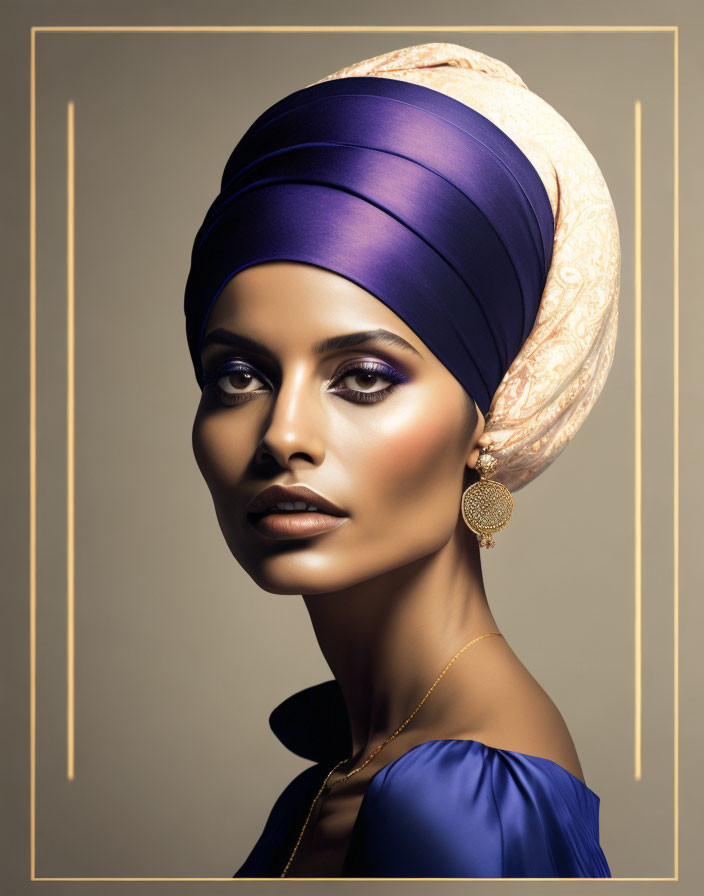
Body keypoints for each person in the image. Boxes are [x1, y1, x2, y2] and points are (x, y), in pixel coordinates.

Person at [184, 43, 619, 878]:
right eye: (240, 375)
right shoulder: (350, 772)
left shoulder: (453, 800)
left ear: (492, 414)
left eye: (363, 377)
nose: (283, 434)